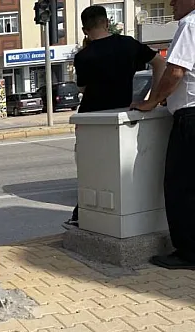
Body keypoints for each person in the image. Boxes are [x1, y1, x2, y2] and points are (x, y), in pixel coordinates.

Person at [66, 5, 166, 227]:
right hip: (123, 115)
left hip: (91, 119)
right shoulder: (128, 44)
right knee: (122, 168)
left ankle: (83, 214)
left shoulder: (83, 56)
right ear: (107, 22)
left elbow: (82, 88)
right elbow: (159, 63)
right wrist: (153, 99)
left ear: (84, 29)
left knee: (91, 169)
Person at [132, 0, 195, 269]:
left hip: (190, 117)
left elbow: (176, 70)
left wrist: (152, 101)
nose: (171, 3)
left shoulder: (190, 24)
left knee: (181, 186)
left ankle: (188, 253)